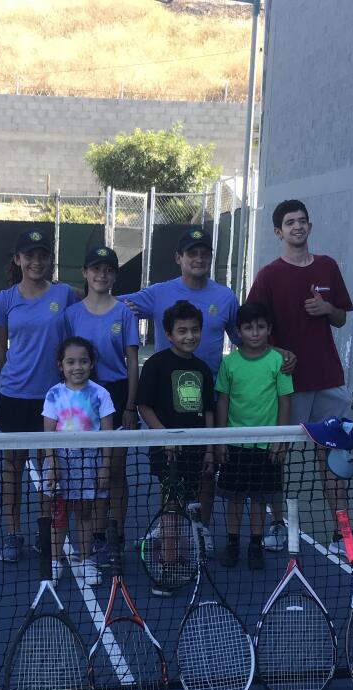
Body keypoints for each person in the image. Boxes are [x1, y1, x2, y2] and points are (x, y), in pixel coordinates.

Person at [244, 199, 353, 561]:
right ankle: (275, 525)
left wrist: (327, 309)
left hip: (329, 379)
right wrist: (278, 350)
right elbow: (252, 326)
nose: (297, 227)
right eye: (289, 222)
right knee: (278, 455)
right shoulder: (269, 275)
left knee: (332, 459)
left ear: (309, 227)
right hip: (287, 385)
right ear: (278, 232)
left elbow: (341, 319)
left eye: (302, 221)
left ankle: (343, 537)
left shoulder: (328, 267)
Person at [121, 227, 255, 554]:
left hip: (206, 398)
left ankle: (201, 526)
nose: (198, 258)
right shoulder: (157, 293)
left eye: (204, 253)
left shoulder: (225, 297)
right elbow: (117, 306)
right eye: (191, 253)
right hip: (167, 402)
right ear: (178, 258)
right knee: (170, 475)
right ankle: (168, 528)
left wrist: (278, 357)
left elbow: (246, 341)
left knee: (205, 473)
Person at [0, 228, 78, 562]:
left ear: (50, 260)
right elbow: (1, 349)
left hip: (53, 399)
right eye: (30, 256)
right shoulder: (4, 300)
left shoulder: (65, 295)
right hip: (15, 397)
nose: (37, 262)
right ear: (18, 259)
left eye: (43, 255)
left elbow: (89, 307)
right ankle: (13, 534)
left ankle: (45, 531)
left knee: (50, 470)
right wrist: (14, 377)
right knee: (11, 467)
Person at [135, 300, 216, 594]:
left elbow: (208, 411)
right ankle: (167, 564)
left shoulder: (203, 369)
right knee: (171, 508)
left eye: (195, 330)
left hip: (196, 451)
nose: (189, 336)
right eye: (182, 331)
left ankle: (176, 555)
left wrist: (209, 448)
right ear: (168, 334)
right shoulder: (157, 364)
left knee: (188, 507)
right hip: (167, 452)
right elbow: (144, 406)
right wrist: (165, 436)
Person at [63, 246, 139, 552]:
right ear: (84, 273)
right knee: (89, 470)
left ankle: (115, 534)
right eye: (95, 269)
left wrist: (131, 406)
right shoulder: (71, 315)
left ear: (115, 275)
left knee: (116, 469)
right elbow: (66, 361)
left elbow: (132, 362)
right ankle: (94, 534)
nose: (101, 275)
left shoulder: (124, 312)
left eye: (108, 269)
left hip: (117, 394)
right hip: (82, 399)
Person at [215, 302, 293, 569]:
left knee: (259, 500)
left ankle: (255, 544)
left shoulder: (278, 362)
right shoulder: (229, 364)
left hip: (265, 446)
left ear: (269, 329)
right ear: (238, 331)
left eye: (260, 327)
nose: (255, 333)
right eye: (249, 327)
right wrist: (222, 439)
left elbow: (285, 402)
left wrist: (279, 440)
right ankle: (233, 542)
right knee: (235, 499)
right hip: (235, 445)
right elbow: (223, 402)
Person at [41, 336, 115, 587]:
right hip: (60, 462)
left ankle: (85, 560)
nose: (77, 367)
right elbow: (48, 434)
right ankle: (54, 560)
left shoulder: (101, 394)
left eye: (83, 361)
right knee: (58, 515)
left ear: (92, 364)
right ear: (60, 365)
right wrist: (52, 466)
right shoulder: (53, 394)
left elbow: (107, 435)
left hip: (90, 463)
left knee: (85, 513)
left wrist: (105, 467)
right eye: (70, 362)